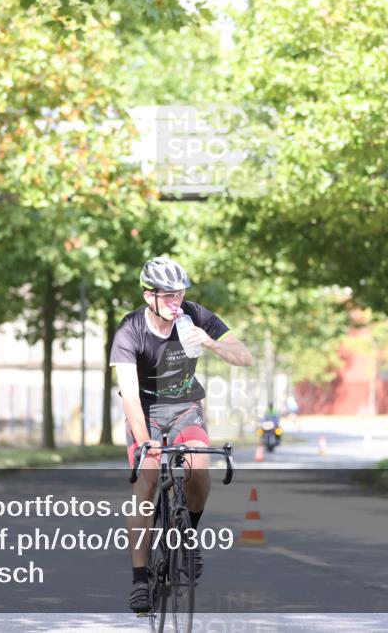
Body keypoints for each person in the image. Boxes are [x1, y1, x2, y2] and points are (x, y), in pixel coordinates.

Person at [109, 256, 253, 613]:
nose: (177, 303)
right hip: (145, 412)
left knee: (198, 467)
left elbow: (245, 356)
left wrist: (212, 343)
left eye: (180, 294)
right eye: (169, 296)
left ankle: (187, 535)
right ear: (149, 296)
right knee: (147, 481)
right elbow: (128, 393)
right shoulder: (130, 331)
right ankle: (140, 578)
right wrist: (145, 444)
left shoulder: (195, 316)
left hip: (187, 407)